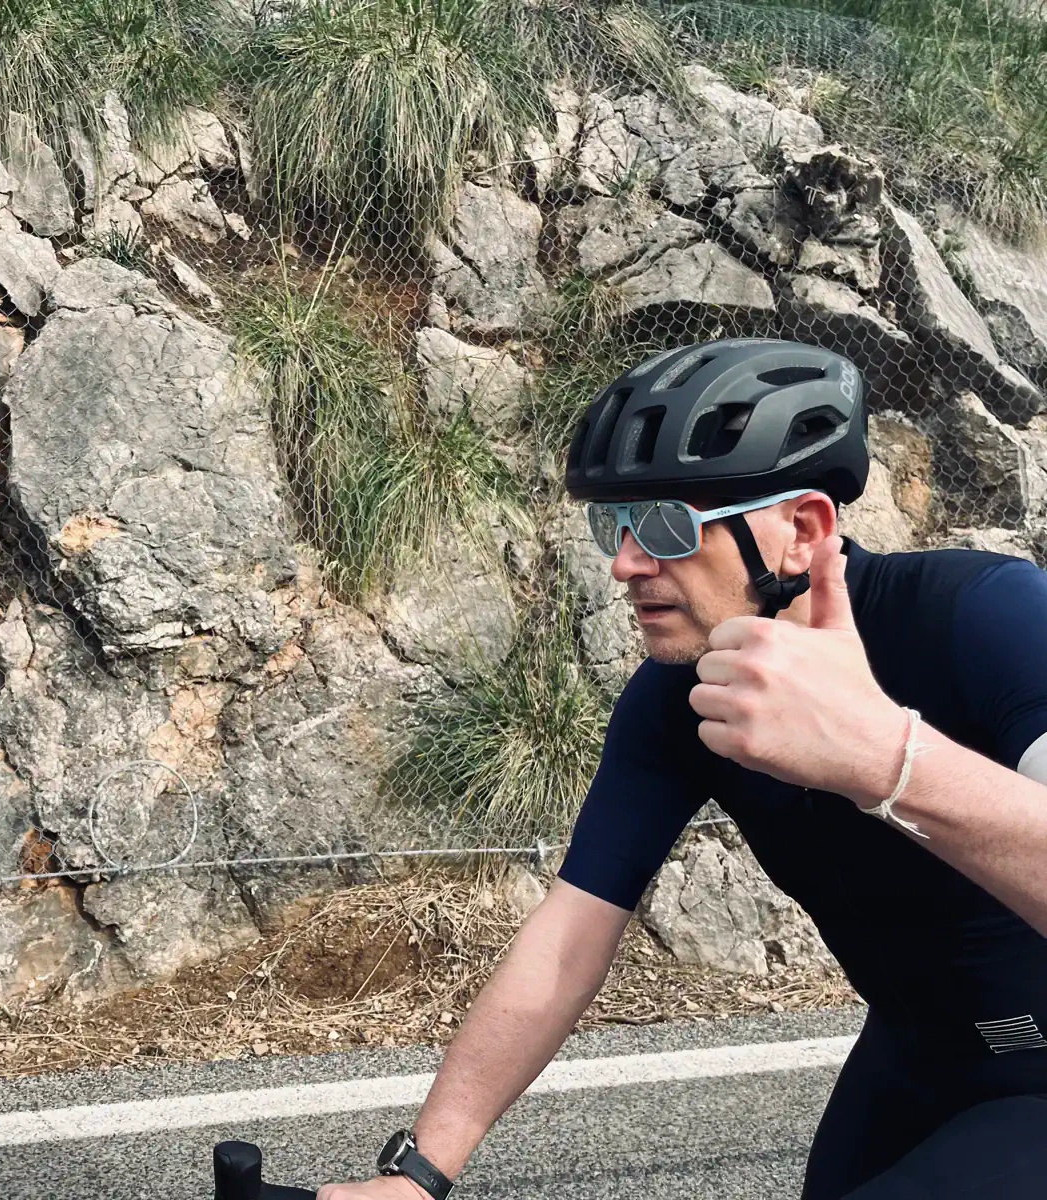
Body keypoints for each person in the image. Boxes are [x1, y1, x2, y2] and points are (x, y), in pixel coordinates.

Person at [317, 339, 1047, 1200]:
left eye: (665, 524)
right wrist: (419, 1173)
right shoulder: (678, 698)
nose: (626, 562)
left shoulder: (984, 618)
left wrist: (884, 758)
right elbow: (569, 934)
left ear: (802, 531)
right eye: (614, 526)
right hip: (913, 1056)